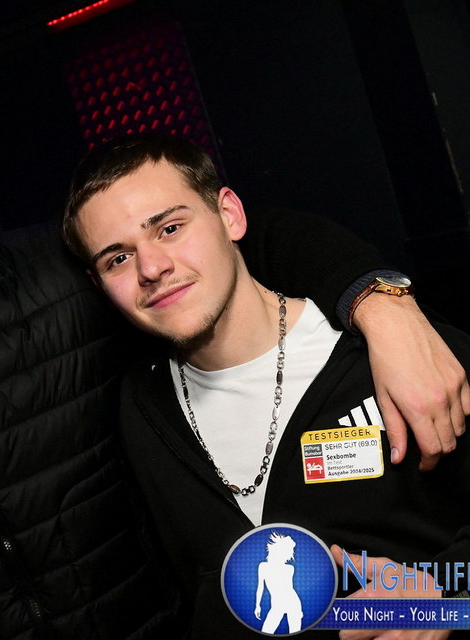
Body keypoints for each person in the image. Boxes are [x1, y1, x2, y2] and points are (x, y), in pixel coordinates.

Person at [62, 134, 470, 639]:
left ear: (230, 216)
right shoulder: (139, 408)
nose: (152, 268)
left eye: (170, 228)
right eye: (117, 259)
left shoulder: (391, 358)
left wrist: (449, 597)